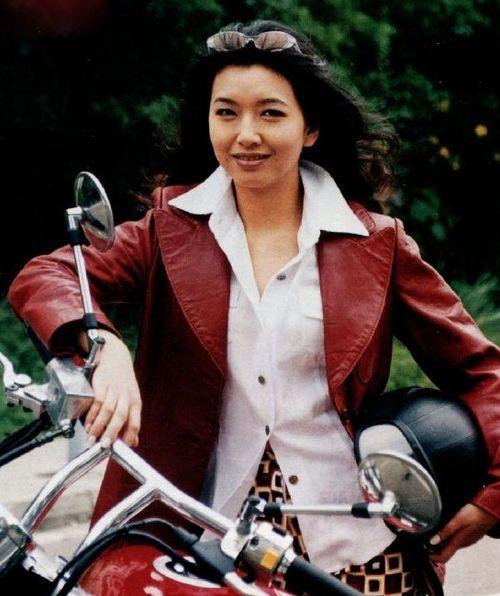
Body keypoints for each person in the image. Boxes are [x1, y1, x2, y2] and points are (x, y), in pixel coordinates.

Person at [8, 20, 500, 595]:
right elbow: (48, 274)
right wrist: (102, 344)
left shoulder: (377, 244)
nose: (246, 135)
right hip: (205, 541)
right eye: (226, 113)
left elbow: (482, 373)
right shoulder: (169, 229)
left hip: (359, 544)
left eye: (270, 113)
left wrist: (494, 493)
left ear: (310, 127)